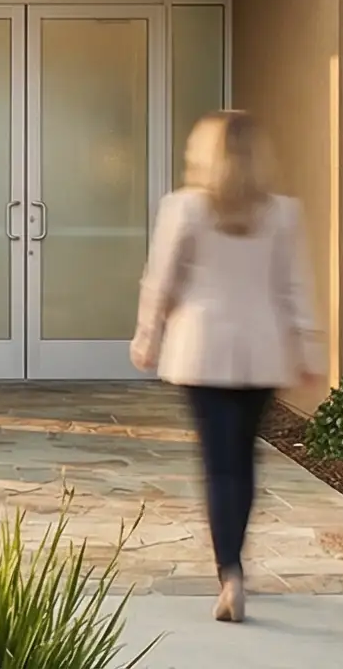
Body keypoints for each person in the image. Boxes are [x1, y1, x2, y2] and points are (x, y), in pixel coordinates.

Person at [130, 109, 320, 625]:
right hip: (261, 352)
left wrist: (147, 335)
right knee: (243, 460)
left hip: (202, 349)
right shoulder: (282, 213)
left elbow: (161, 280)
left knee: (218, 465)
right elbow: (294, 287)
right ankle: (235, 568)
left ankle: (229, 572)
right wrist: (308, 350)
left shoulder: (184, 208)